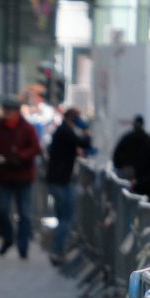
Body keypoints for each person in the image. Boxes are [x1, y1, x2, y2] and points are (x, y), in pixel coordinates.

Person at [0, 99, 42, 259]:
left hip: (23, 176)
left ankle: (23, 246)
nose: (8, 113)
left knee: (25, 214)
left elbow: (36, 148)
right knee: (2, 209)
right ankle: (8, 237)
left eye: (11, 110)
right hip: (3, 176)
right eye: (6, 110)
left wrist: (20, 156)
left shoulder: (27, 128)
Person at [45, 108, 93, 266]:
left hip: (59, 180)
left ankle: (58, 249)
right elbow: (84, 143)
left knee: (63, 218)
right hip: (60, 181)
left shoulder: (63, 131)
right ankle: (58, 251)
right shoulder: (65, 131)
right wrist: (85, 130)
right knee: (66, 218)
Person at [112, 115, 150, 181]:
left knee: (124, 189)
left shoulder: (127, 138)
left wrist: (120, 166)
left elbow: (116, 154)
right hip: (142, 173)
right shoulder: (148, 139)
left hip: (126, 170)